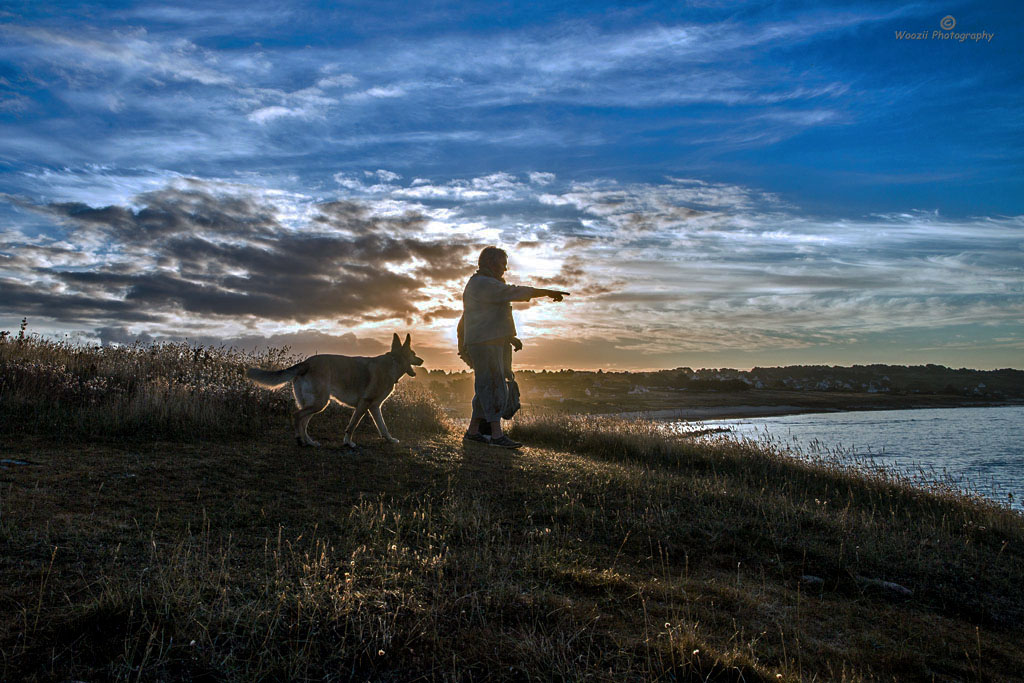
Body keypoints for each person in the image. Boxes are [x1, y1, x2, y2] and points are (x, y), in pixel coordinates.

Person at [459, 246, 569, 448]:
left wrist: (510, 337)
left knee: (485, 386)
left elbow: (492, 316)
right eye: (503, 264)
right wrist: (545, 292)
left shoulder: (483, 283)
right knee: (493, 385)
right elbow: (512, 292)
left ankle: (473, 432)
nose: (506, 269)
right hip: (485, 343)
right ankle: (496, 435)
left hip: (489, 341)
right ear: (491, 263)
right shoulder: (483, 284)